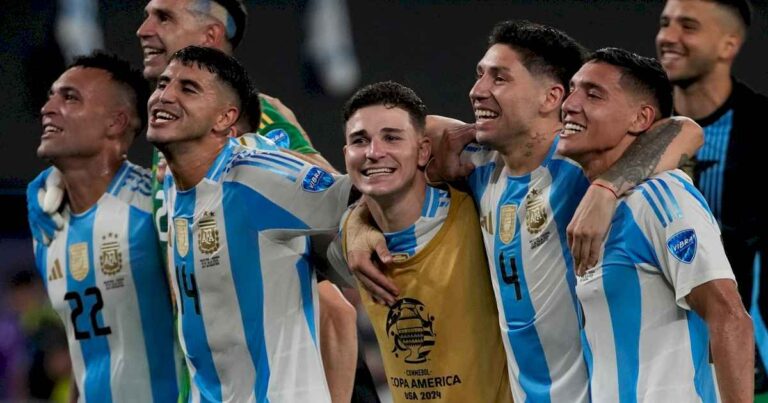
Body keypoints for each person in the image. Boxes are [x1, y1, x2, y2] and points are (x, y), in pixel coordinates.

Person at [345, 20, 704, 402]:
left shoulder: (584, 164)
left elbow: (684, 129)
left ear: (552, 98)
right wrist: (358, 222)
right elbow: (399, 146)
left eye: (499, 78)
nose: (477, 91)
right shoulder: (481, 165)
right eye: (479, 75)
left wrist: (606, 188)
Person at [148, 45, 355, 402]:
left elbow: (354, 196)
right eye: (163, 84)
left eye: (188, 88)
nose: (164, 96)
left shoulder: (253, 174)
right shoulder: (174, 185)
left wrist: (363, 232)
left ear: (225, 118)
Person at [560, 46, 753, 402]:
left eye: (593, 94)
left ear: (640, 119)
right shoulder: (599, 205)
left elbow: (730, 316)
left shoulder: (661, 196)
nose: (569, 104)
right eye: (572, 89)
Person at [337, 81, 513, 402]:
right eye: (360, 141)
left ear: (423, 151)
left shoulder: (479, 211)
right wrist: (355, 223)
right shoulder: (349, 233)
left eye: (392, 137)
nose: (374, 152)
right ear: (346, 155)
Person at [28, 52, 179, 402]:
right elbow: (84, 352)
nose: (48, 108)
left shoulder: (155, 211)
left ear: (115, 123)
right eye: (51, 96)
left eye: (69, 97)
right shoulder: (48, 231)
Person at [656, 0, 768, 388]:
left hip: (750, 370)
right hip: (655, 369)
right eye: (665, 23)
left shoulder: (761, 130)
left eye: (688, 26)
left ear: (728, 45)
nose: (668, 37)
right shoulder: (634, 131)